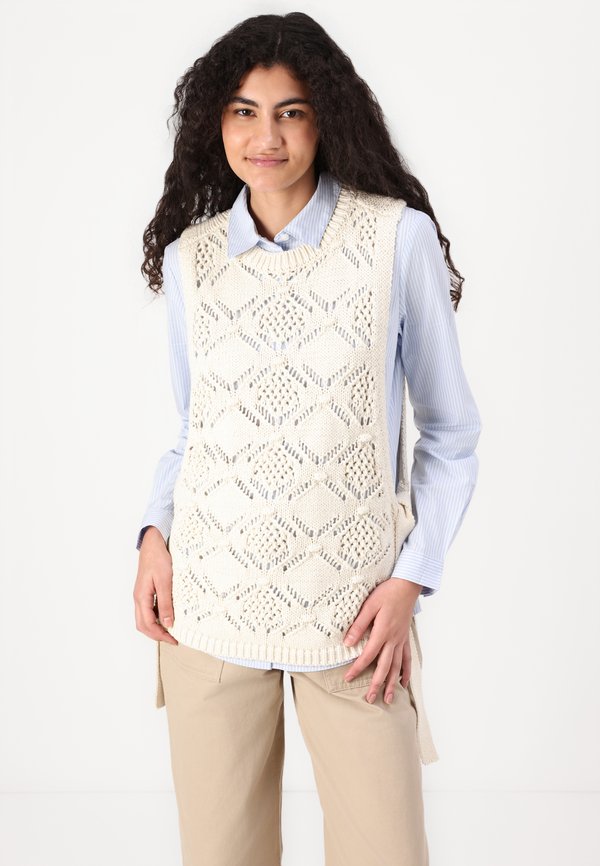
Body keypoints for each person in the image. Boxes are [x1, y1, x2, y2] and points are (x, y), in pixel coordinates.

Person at [133, 12, 481, 866]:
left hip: (357, 620)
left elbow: (452, 433)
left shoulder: (395, 240)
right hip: (207, 607)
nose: (267, 136)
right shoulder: (190, 261)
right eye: (244, 111)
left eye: (291, 111)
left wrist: (411, 580)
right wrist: (151, 535)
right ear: (215, 122)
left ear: (326, 116)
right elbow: (193, 427)